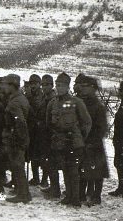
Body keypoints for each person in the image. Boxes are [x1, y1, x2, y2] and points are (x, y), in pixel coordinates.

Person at [46, 72, 91, 207]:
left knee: (74, 170)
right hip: (59, 141)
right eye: (57, 85)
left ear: (67, 87)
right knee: (65, 169)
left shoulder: (77, 102)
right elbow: (49, 122)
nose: (58, 88)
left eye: (61, 85)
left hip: (74, 142)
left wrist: (81, 137)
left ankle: (75, 199)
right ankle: (68, 196)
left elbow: (87, 122)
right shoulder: (52, 103)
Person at [77, 76, 110, 206]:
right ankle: (81, 194)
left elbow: (102, 128)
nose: (83, 89)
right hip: (83, 141)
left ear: (93, 88)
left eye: (86, 86)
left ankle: (96, 195)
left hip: (94, 143)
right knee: (83, 169)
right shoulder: (81, 103)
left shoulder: (98, 106)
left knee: (97, 172)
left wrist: (92, 141)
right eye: (83, 86)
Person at [0, 74, 32, 203]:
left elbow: (21, 123)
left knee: (17, 166)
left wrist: (18, 139)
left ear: (12, 86)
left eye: (5, 84)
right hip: (18, 137)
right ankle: (21, 191)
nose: (3, 87)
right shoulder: (20, 98)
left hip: (15, 138)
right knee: (17, 166)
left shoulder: (15, 102)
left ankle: (23, 194)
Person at [38, 75, 59, 196]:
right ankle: (53, 186)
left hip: (49, 134)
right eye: (43, 85)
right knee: (48, 162)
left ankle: (55, 189)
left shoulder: (53, 99)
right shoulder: (45, 98)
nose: (44, 87)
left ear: (52, 86)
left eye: (47, 85)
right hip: (43, 134)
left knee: (52, 163)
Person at [25, 74, 43, 186]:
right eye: (31, 83)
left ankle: (40, 179)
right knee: (30, 155)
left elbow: (36, 108)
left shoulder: (40, 96)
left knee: (38, 156)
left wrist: (29, 97)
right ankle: (35, 178)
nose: (33, 86)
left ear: (39, 84)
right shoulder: (29, 95)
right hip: (31, 129)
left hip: (39, 130)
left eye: (35, 83)